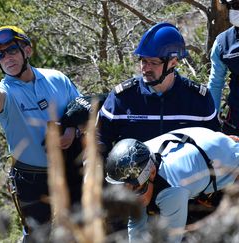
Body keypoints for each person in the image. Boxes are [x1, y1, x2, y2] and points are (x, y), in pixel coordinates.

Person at [0, 26, 81, 237]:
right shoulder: (5, 91)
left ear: (28, 51)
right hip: (31, 179)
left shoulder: (57, 78)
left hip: (69, 169)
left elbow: (81, 110)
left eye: (12, 50)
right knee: (37, 235)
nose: (7, 58)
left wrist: (72, 130)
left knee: (79, 230)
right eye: (1, 55)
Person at [97, 22, 220, 157]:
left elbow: (215, 146)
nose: (146, 68)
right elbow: (98, 140)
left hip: (183, 177)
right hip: (132, 177)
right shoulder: (121, 97)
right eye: (143, 61)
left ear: (173, 63)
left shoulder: (199, 98)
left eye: (153, 63)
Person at [104, 127, 239, 243]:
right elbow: (136, 224)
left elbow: (171, 239)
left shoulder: (173, 191)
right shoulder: (135, 157)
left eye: (136, 189)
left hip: (228, 159)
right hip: (204, 144)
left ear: (152, 173)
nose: (131, 198)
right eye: (124, 190)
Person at [208, 0, 239, 136]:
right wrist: (211, 119)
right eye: (235, 5)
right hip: (236, 122)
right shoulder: (222, 43)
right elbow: (215, 83)